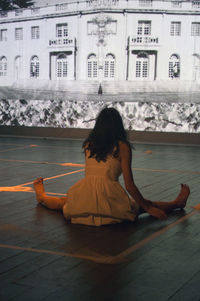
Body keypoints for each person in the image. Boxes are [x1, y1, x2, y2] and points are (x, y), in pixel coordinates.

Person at [33, 107, 190, 226]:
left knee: (63, 203)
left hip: (87, 191)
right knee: (142, 204)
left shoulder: (89, 144)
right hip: (108, 196)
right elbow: (129, 185)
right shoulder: (122, 146)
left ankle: (42, 197)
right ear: (118, 125)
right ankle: (177, 203)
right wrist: (147, 208)